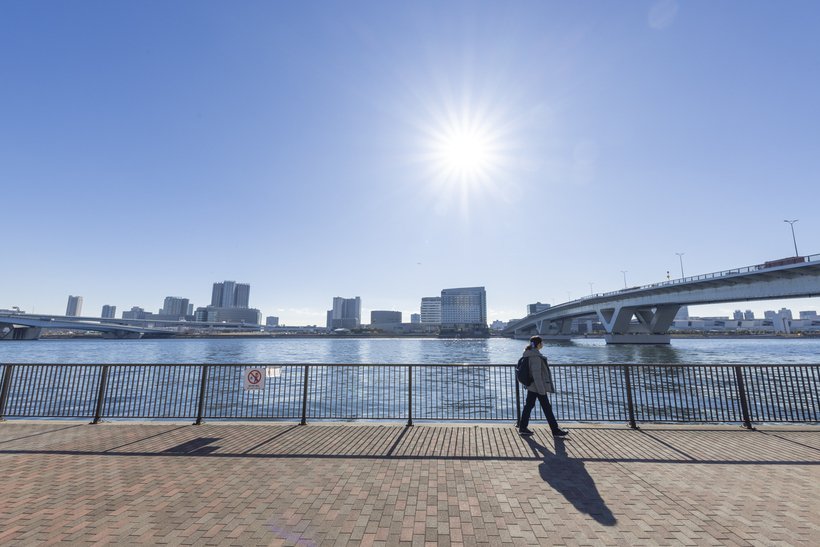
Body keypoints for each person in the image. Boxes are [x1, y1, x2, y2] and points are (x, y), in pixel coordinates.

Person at [518, 336, 568, 437]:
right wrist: (542, 390)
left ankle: (523, 428)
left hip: (532, 386)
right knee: (546, 408)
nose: (543, 344)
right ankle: (555, 430)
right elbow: (537, 375)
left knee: (529, 406)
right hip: (537, 387)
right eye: (542, 343)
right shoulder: (535, 356)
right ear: (538, 344)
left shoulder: (529, 354)